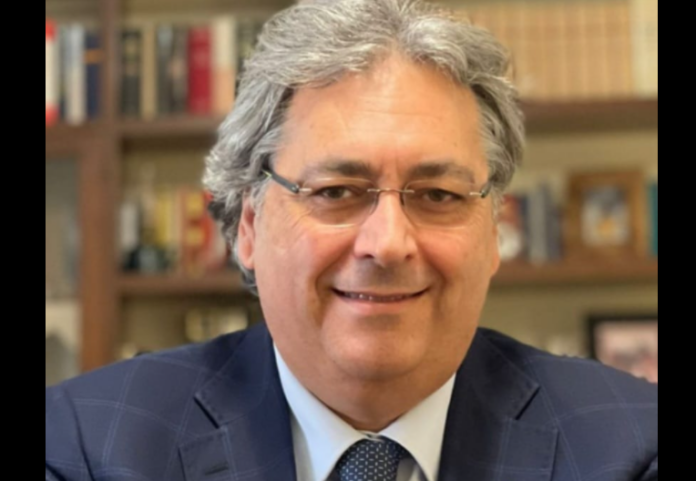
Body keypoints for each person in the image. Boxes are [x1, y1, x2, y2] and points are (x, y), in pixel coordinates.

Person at [46, 1, 658, 480]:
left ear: (495, 232)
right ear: (249, 226)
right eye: (337, 191)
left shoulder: (631, 448)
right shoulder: (87, 447)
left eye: (438, 195)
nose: (387, 244)